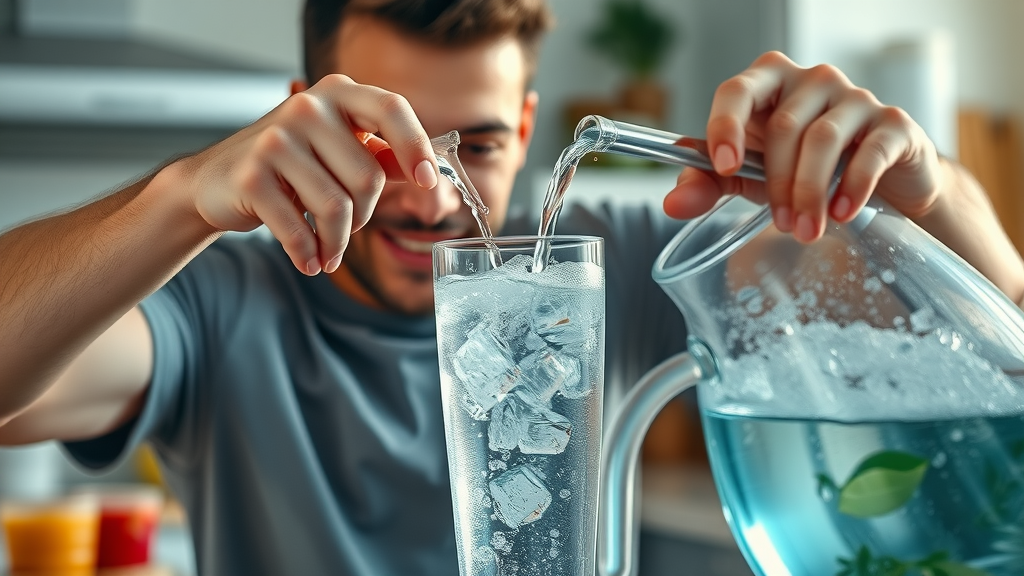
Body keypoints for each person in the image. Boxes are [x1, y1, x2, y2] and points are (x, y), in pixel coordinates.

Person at [1, 0, 1022, 574]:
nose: (430, 193)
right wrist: (182, 196)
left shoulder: (612, 254)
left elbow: (989, 344)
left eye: (476, 144)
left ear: (529, 127)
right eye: (384, 140)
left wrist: (923, 193)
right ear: (299, 116)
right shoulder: (221, 301)